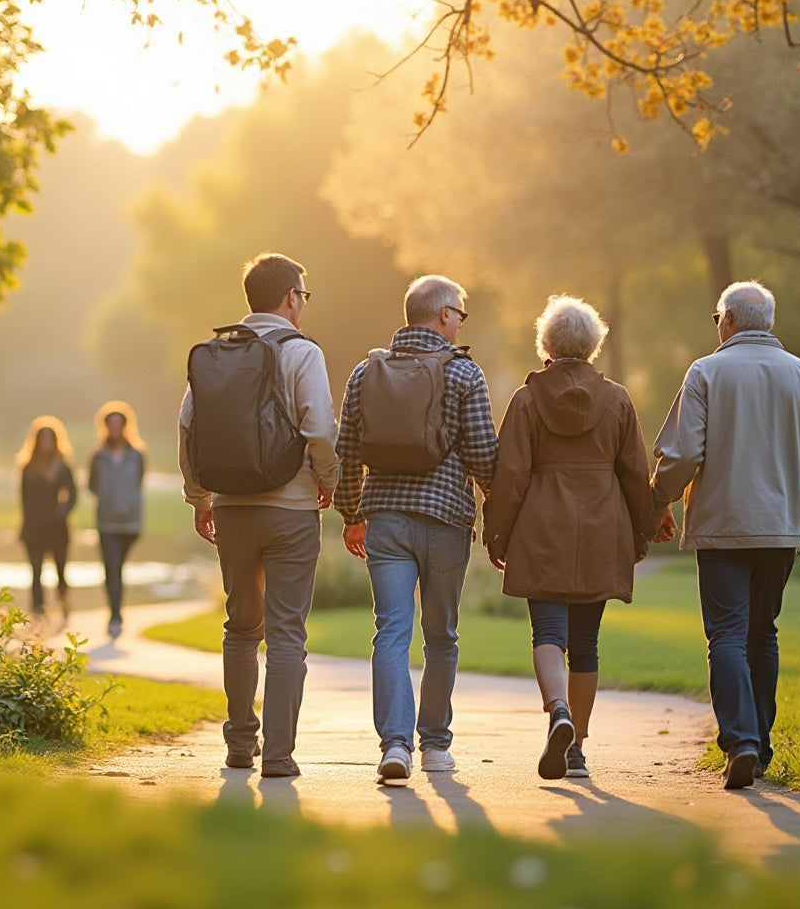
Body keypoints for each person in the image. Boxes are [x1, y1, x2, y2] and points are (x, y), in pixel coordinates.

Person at [650, 280, 800, 790]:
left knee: (727, 635)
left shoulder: (706, 372)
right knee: (763, 633)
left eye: (717, 319)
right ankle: (761, 743)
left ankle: (742, 742)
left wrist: (659, 499)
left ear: (728, 320)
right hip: (779, 528)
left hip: (721, 527)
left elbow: (684, 454)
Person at [177, 252, 339, 778]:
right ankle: (278, 755)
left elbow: (188, 429)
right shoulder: (301, 353)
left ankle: (238, 744)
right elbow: (319, 428)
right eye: (304, 296)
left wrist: (201, 499)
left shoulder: (217, 352)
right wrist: (328, 480)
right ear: (292, 297)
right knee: (288, 633)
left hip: (232, 512)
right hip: (290, 509)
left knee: (242, 629)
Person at [336, 275, 498, 785]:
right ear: (446, 314)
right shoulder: (465, 374)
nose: (461, 323)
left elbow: (347, 453)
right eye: (461, 314)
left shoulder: (366, 372)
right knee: (442, 637)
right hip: (447, 519)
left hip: (384, 518)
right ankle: (435, 747)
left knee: (391, 631)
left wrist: (351, 514)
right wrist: (501, 508)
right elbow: (484, 459)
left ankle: (395, 745)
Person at [482, 296, 652, 781]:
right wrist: (642, 529)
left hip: (542, 527)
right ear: (594, 345)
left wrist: (498, 534)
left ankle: (556, 708)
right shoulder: (617, 399)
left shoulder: (527, 399)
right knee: (587, 641)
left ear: (547, 344)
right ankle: (576, 746)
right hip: (602, 526)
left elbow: (510, 474)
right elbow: (636, 472)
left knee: (548, 635)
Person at [87, 401, 146, 641]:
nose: (114, 430)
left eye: (118, 425)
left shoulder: (137, 455)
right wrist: (107, 496)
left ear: (125, 426)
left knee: (118, 568)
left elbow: (139, 482)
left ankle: (116, 612)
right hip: (107, 522)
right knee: (112, 569)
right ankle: (115, 616)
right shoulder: (98, 457)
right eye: (110, 425)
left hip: (131, 522)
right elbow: (91, 485)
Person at [17, 416, 78, 620]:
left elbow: (73, 495)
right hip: (33, 528)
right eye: (42, 439)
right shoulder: (28, 467)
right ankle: (38, 610)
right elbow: (23, 499)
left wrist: (62, 512)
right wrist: (24, 527)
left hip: (57, 527)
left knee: (61, 570)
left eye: (49, 439)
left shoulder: (62, 466)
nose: (46, 444)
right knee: (36, 572)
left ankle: (63, 605)